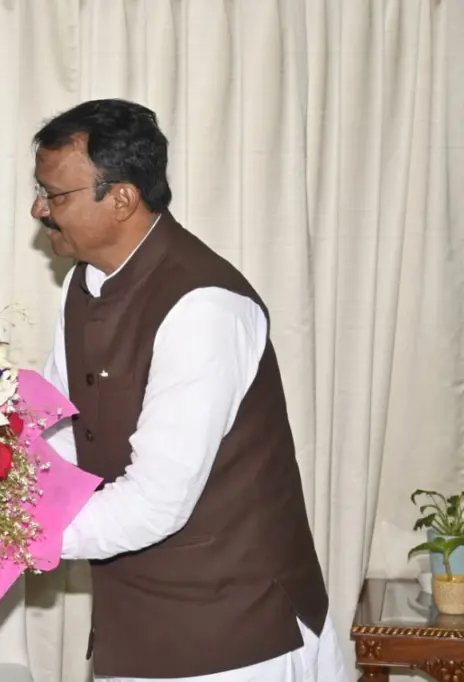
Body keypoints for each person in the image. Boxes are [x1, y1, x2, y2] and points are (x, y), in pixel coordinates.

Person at [35, 99, 349, 682]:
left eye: (55, 195)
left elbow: (157, 502)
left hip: (236, 633)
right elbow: (62, 431)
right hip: (137, 625)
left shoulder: (203, 305)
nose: (39, 209)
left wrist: (16, 536)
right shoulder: (84, 283)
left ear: (122, 197)